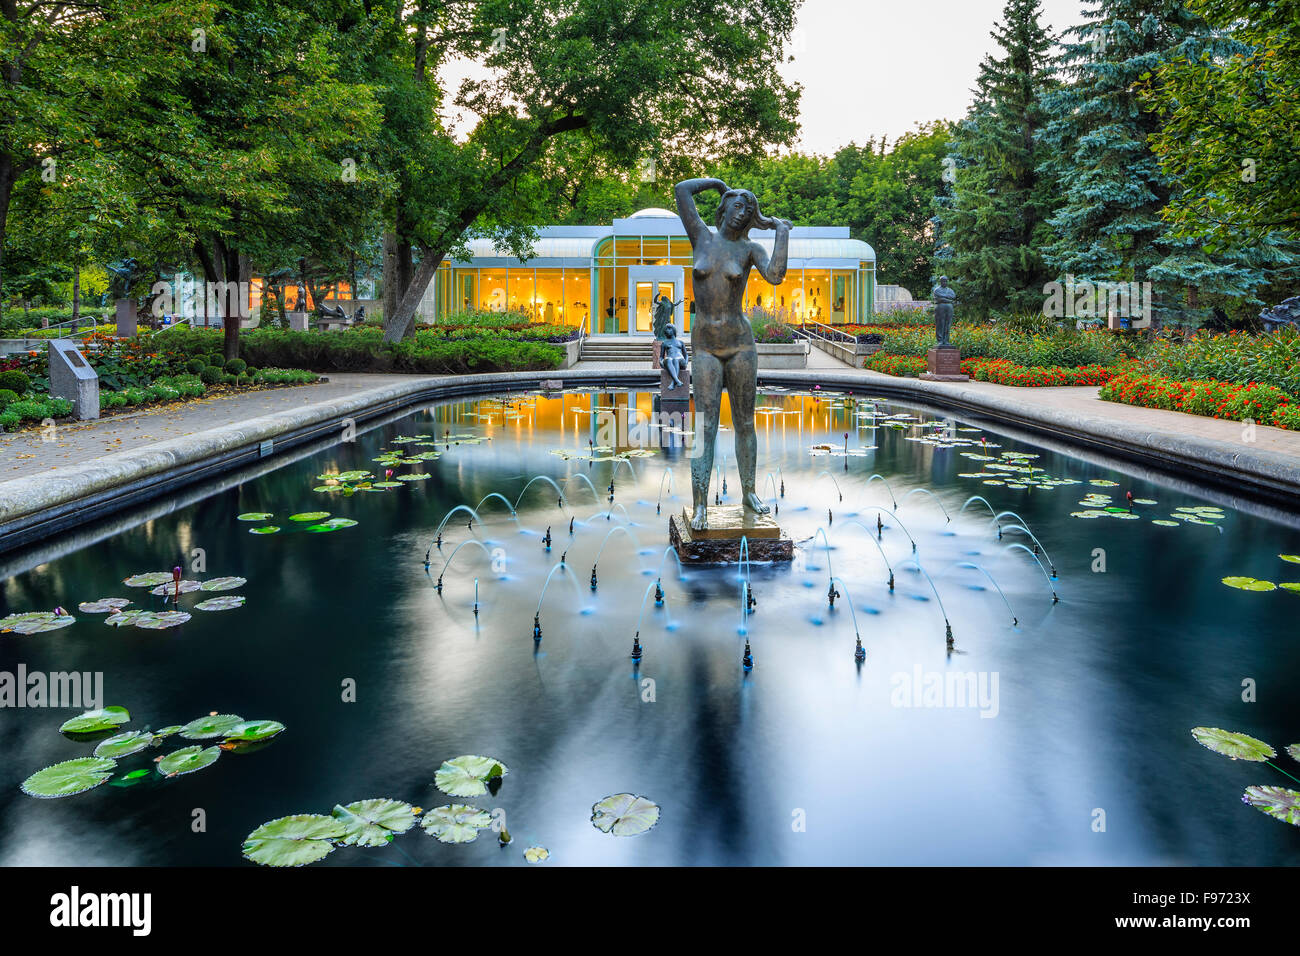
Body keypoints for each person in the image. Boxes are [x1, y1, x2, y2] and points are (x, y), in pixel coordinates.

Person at [674, 177, 790, 530]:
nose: (743, 214)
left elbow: (776, 276)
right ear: (723, 208)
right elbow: (681, 190)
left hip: (740, 344)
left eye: (750, 210)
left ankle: (749, 493)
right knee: (705, 425)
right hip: (706, 346)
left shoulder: (750, 250)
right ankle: (699, 505)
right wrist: (717, 183)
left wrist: (781, 232)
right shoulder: (702, 238)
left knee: (745, 422)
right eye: (738, 206)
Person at [660, 323, 688, 387]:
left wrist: (686, 362)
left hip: (680, 360)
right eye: (666, 329)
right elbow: (661, 357)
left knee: (676, 359)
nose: (667, 330)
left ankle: (673, 382)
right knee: (669, 359)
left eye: (669, 329)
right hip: (669, 360)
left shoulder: (680, 342)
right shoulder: (664, 343)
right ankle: (677, 381)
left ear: (674, 330)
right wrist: (660, 361)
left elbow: (686, 355)